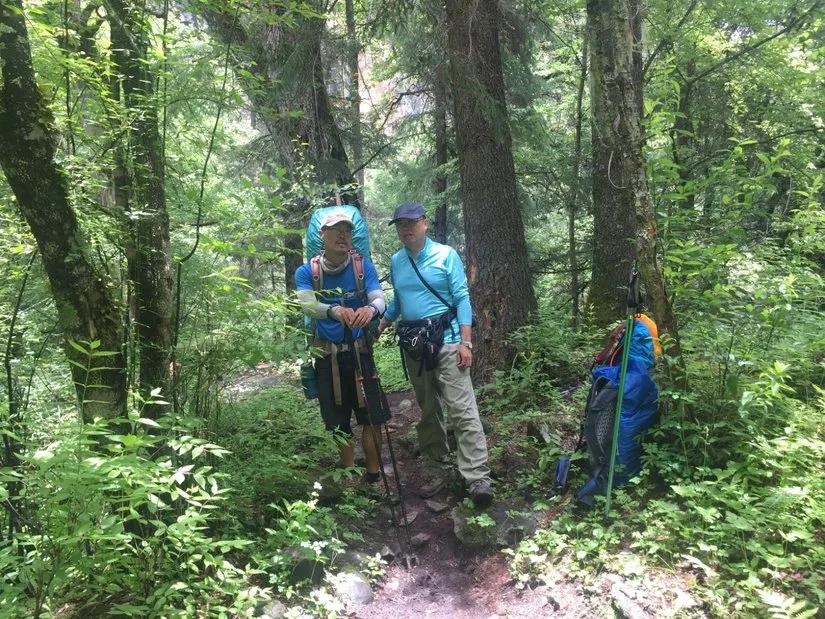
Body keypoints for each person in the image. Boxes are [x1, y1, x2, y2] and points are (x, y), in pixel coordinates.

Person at [376, 201, 493, 507]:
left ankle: (477, 477)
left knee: (462, 408)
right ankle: (436, 467)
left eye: (411, 224)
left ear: (425, 224)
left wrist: (466, 342)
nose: (406, 230)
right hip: (415, 345)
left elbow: (462, 298)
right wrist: (381, 325)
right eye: (400, 225)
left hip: (449, 340)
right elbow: (399, 302)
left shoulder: (445, 255)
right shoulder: (397, 261)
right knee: (429, 410)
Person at [295, 211, 390, 483]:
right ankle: (348, 478)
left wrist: (371, 310)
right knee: (337, 422)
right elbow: (307, 305)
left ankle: (372, 476)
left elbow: (379, 298)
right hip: (327, 355)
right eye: (335, 230)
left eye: (346, 231)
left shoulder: (363, 267)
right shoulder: (306, 273)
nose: (342, 236)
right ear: (321, 235)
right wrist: (335, 311)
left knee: (372, 416)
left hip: (361, 351)